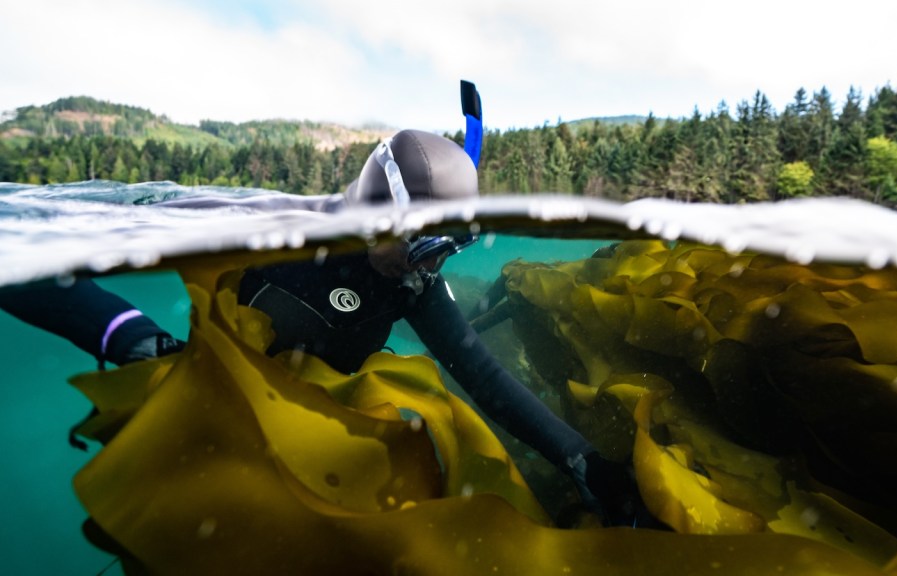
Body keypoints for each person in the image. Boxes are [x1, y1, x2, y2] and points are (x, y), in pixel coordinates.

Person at [0, 125, 646, 528]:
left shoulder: (413, 281)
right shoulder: (271, 227)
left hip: (314, 442)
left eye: (445, 247)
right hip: (196, 384)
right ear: (370, 209)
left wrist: (584, 462)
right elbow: (61, 253)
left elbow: (483, 373)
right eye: (418, 242)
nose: (423, 266)